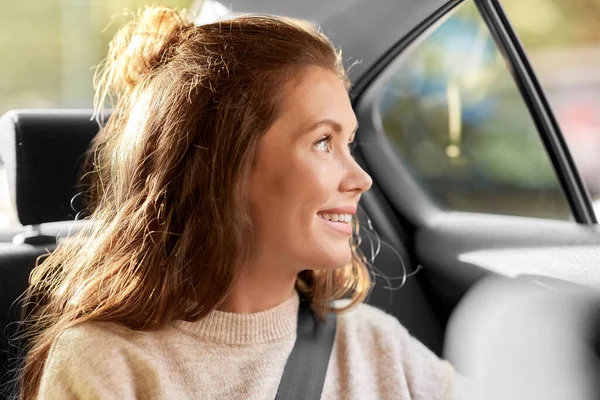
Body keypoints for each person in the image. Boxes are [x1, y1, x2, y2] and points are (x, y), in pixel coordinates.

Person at [17, 7, 456, 399]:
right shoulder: (107, 365)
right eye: (324, 141)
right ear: (225, 164)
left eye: (349, 143)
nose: (361, 179)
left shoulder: (380, 347)